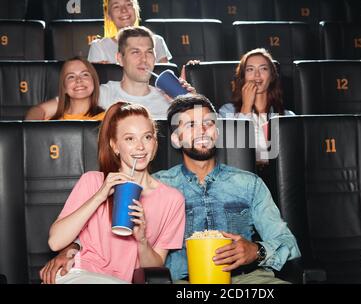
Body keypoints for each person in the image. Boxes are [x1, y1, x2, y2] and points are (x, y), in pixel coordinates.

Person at [41, 94, 300, 284]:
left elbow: (288, 242)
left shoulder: (249, 183)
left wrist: (256, 250)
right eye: (189, 125)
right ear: (175, 138)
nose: (201, 131)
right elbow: (94, 231)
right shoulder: (162, 185)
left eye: (208, 123)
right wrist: (71, 249)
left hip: (248, 279)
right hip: (182, 284)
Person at [46, 101, 185, 284]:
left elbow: (155, 266)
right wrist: (100, 196)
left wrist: (142, 239)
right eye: (130, 139)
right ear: (115, 146)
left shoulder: (172, 200)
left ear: (155, 143)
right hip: (77, 275)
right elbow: (55, 242)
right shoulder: (93, 181)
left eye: (147, 137)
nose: (140, 147)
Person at [25, 26, 195, 120]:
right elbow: (40, 111)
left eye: (149, 52)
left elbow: (215, 135)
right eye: (135, 52)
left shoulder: (170, 97)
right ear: (119, 59)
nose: (144, 59)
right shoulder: (101, 94)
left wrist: (193, 102)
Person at [218, 48, 295, 164]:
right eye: (250, 69)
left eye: (263, 68)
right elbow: (232, 154)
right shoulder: (226, 112)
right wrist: (246, 107)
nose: (257, 75)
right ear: (243, 77)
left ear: (272, 76)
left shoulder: (287, 116)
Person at [88, 0, 172, 64]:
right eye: (116, 6)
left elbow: (164, 75)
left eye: (128, 4)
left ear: (136, 9)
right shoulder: (99, 47)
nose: (124, 10)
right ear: (109, 15)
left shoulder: (156, 41)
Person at [25, 57, 105, 121]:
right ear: (64, 87)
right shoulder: (48, 122)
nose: (78, 80)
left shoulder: (107, 119)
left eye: (85, 74)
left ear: (94, 81)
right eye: (71, 76)